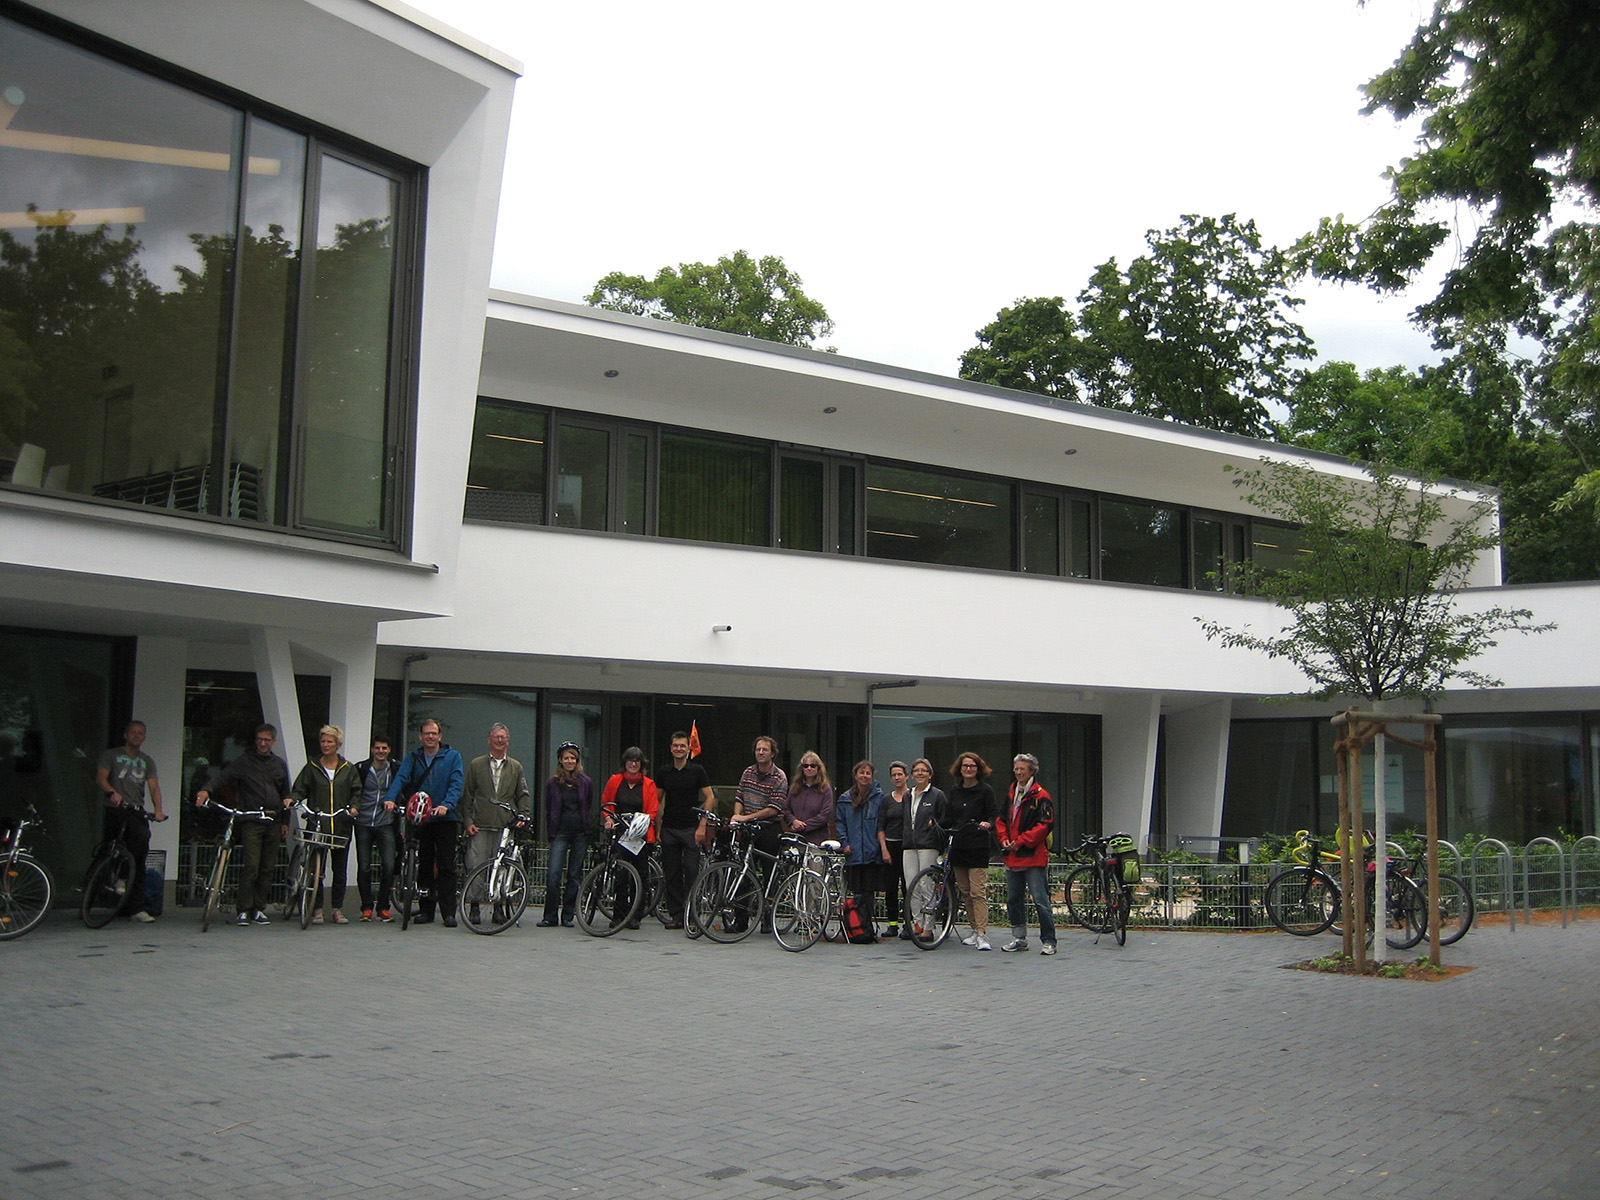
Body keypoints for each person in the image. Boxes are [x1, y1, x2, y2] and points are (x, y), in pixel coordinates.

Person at [196, 723, 293, 926]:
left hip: (274, 820)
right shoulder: (244, 762)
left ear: (273, 741)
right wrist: (206, 790)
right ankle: (243, 909)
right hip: (251, 820)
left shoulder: (279, 764)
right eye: (259, 739)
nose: (263, 743)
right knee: (251, 865)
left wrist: (285, 821)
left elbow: (286, 794)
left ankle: (259, 908)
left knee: (268, 867)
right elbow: (222, 777)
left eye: (267, 740)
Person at [384, 718, 464, 927]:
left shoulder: (453, 757)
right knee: (425, 864)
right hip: (421, 817)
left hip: (445, 818)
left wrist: (447, 804)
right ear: (420, 737)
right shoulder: (413, 758)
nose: (430, 737)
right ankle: (426, 910)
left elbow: (456, 783)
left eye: (434, 733)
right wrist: (390, 798)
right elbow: (401, 778)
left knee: (446, 866)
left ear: (440, 736)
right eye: (427, 733)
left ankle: (449, 912)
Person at [94, 720, 169, 922]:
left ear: (144, 738)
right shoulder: (111, 755)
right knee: (109, 848)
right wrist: (111, 792)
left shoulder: (147, 761)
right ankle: (98, 888)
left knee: (141, 844)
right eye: (133, 733)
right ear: (125, 735)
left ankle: (136, 906)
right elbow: (101, 778)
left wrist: (158, 810)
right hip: (115, 808)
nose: (136, 736)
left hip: (135, 810)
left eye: (140, 734)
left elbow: (154, 787)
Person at [461, 723, 531, 924]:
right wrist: (468, 821)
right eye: (496, 737)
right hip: (480, 826)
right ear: (489, 739)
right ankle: (474, 906)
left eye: (503, 737)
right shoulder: (476, 765)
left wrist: (523, 817)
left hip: (504, 827)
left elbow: (523, 795)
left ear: (507, 741)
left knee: (501, 869)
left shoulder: (516, 767)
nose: (499, 741)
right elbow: (468, 796)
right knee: (476, 865)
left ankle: (498, 907)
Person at [290, 724, 359, 925]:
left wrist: (354, 807)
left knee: (340, 869)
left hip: (340, 825)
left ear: (338, 744)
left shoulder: (348, 769)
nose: (325, 745)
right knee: (316, 870)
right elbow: (300, 788)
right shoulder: (312, 767)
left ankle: (337, 908)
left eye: (330, 741)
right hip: (318, 824)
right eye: (323, 741)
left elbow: (357, 792)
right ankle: (316, 908)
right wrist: (292, 798)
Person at [997, 752, 1057, 956]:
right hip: (1012, 855)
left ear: (1032, 771)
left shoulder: (1042, 796)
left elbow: (1045, 825)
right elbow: (1001, 818)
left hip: (1033, 856)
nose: (1018, 772)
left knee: (1041, 899)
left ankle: (1049, 940)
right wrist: (1003, 838)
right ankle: (1019, 937)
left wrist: (1020, 841)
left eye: (1022, 769)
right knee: (1014, 899)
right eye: (1016, 769)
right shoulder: (1011, 792)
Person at [654, 731, 714, 930]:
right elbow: (657, 800)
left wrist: (703, 825)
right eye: (675, 746)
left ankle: (692, 915)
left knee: (691, 872)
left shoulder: (697, 771)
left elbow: (710, 797)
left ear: (689, 748)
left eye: (682, 746)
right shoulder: (664, 771)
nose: (679, 749)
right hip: (669, 828)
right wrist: (657, 825)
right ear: (671, 748)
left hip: (691, 828)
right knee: (671, 874)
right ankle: (676, 916)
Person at [730, 735, 787, 930]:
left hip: (769, 828)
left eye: (765, 750)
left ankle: (767, 920)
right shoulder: (748, 772)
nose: (761, 753)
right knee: (743, 872)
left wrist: (747, 817)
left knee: (770, 874)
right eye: (758, 749)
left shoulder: (779, 777)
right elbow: (739, 797)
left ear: (772, 753)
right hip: (748, 828)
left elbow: (774, 808)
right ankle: (741, 920)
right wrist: (737, 817)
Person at [944, 751, 998, 951]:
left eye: (972, 766)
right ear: (960, 768)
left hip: (977, 845)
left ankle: (983, 933)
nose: (968, 769)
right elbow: (950, 816)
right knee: (966, 892)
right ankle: (974, 930)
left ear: (978, 769)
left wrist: (988, 824)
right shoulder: (955, 791)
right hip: (959, 845)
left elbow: (994, 814)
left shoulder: (986, 790)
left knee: (978, 892)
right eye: (965, 766)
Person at [601, 746, 659, 929]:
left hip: (640, 836)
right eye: (630, 761)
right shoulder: (615, 781)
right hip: (620, 833)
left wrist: (642, 822)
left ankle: (635, 916)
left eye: (637, 761)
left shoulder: (648, 784)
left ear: (641, 764)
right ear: (624, 763)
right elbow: (607, 803)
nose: (633, 764)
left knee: (640, 876)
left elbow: (652, 810)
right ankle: (618, 915)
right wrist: (609, 818)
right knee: (620, 876)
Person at [540, 742, 593, 927]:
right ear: (560, 761)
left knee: (574, 876)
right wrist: (551, 832)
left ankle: (568, 916)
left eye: (573, 758)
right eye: (566, 758)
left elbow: (588, 804)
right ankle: (550, 916)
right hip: (560, 832)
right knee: (554, 874)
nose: (569, 761)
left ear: (577, 760)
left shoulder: (586, 782)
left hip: (580, 833)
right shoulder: (552, 783)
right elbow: (549, 809)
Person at [835, 760, 889, 938]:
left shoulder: (879, 798)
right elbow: (840, 823)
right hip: (854, 852)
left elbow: (882, 824)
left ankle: (867, 928)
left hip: (872, 852)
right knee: (857, 890)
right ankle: (859, 927)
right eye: (861, 772)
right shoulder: (845, 799)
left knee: (869, 891)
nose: (865, 776)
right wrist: (845, 843)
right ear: (855, 775)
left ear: (872, 776)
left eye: (868, 773)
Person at [900, 757, 947, 940]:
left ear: (930, 774)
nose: (920, 773)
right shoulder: (907, 795)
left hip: (928, 845)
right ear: (912, 775)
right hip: (909, 845)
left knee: (926, 884)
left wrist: (934, 824)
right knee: (911, 885)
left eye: (924, 770)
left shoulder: (937, 795)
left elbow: (945, 820)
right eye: (917, 770)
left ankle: (929, 927)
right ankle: (917, 923)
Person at [353, 735, 398, 921]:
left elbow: (402, 787)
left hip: (385, 822)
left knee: (388, 865)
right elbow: (354, 790)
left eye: (384, 748)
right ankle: (366, 907)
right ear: (372, 750)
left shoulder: (395, 768)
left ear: (389, 750)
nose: (381, 752)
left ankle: (383, 906)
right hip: (363, 822)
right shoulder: (361, 768)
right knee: (364, 867)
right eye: (377, 748)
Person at [880, 760, 908, 938]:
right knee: (890, 888)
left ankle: (909, 924)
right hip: (890, 846)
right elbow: (880, 826)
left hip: (908, 847)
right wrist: (884, 849)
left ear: (907, 776)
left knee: (908, 887)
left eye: (900, 774)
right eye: (894, 775)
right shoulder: (886, 800)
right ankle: (892, 924)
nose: (897, 778)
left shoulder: (913, 796)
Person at [785, 751, 836, 846]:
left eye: (813, 766)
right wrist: (793, 821)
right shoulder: (795, 787)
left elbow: (825, 814)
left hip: (817, 841)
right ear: (802, 768)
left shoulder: (825, 788)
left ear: (818, 768)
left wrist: (804, 826)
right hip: (796, 840)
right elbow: (786, 809)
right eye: (806, 766)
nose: (809, 768)